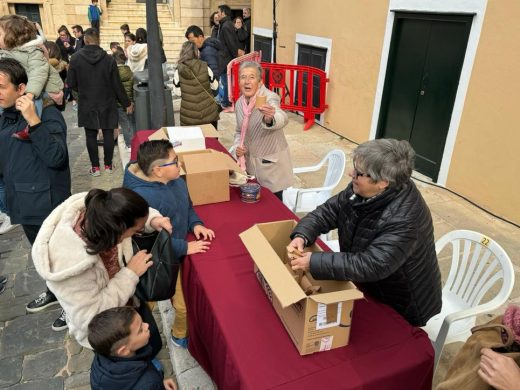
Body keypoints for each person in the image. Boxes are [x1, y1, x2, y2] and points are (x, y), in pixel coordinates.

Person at [288, 138, 443, 327]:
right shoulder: (360, 189)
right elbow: (329, 211)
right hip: (370, 286)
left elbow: (372, 264)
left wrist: (313, 262)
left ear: (383, 182)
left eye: (359, 173)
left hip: (402, 303)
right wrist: (302, 234)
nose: (351, 173)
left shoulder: (405, 219)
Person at [32, 187, 173, 349]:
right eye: (136, 230)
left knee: (150, 342)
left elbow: (134, 215)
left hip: (129, 305)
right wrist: (130, 274)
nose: (140, 231)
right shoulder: (69, 263)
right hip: (114, 335)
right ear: (118, 231)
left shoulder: (101, 208)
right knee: (135, 359)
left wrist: (153, 220)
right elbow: (91, 318)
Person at [0, 57, 71, 330]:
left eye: (2, 86)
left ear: (21, 89)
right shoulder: (5, 116)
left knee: (58, 258)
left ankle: (69, 303)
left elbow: (56, 157)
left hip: (47, 204)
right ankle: (54, 293)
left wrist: (34, 121)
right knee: (40, 256)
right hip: (22, 202)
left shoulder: (47, 113)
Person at [123, 139, 215, 349]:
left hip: (175, 253)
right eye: (175, 161)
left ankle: (179, 335)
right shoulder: (138, 199)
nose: (180, 163)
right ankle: (137, 344)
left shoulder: (176, 180)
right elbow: (150, 242)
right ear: (157, 170)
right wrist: (184, 247)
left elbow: (187, 206)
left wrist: (196, 224)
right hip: (155, 263)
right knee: (144, 304)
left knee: (183, 307)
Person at [67, 28, 133, 176]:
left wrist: (82, 89)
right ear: (99, 40)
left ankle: (95, 168)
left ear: (85, 40)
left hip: (87, 101)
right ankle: (108, 166)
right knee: (108, 132)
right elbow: (117, 84)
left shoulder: (76, 58)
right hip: (106, 100)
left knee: (90, 134)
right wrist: (126, 102)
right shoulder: (109, 59)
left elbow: (70, 83)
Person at [233, 61, 293, 199]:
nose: (247, 81)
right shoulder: (239, 103)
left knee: (274, 207)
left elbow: (282, 117)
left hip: (271, 168)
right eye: (243, 77)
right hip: (249, 167)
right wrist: (237, 146)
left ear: (260, 82)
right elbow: (238, 131)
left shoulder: (269, 97)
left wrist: (269, 118)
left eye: (252, 77)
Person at [88, 307, 177, 390]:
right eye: (140, 330)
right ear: (124, 351)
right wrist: (158, 386)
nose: (146, 325)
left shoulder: (100, 360)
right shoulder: (150, 382)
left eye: (142, 322)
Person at [0, 15, 65, 116]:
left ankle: (33, 123)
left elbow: (38, 74)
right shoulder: (6, 51)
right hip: (25, 86)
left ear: (12, 36)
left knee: (35, 103)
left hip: (43, 89)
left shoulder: (32, 52)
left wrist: (30, 94)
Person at [172, 41, 219, 128]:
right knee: (211, 141)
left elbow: (177, 92)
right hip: (209, 113)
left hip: (189, 115)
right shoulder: (205, 66)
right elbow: (215, 86)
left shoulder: (178, 70)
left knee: (192, 141)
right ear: (196, 52)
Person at [216, 4, 244, 111]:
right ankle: (225, 100)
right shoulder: (225, 24)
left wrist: (235, 58)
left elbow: (231, 44)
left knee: (225, 81)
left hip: (225, 59)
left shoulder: (226, 25)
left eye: (218, 12)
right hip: (225, 58)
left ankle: (226, 102)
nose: (217, 14)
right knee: (225, 80)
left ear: (223, 13)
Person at [113, 48, 136, 149]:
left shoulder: (114, 73)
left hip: (119, 104)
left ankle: (129, 144)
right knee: (131, 123)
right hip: (130, 102)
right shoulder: (130, 71)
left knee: (124, 124)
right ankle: (135, 142)